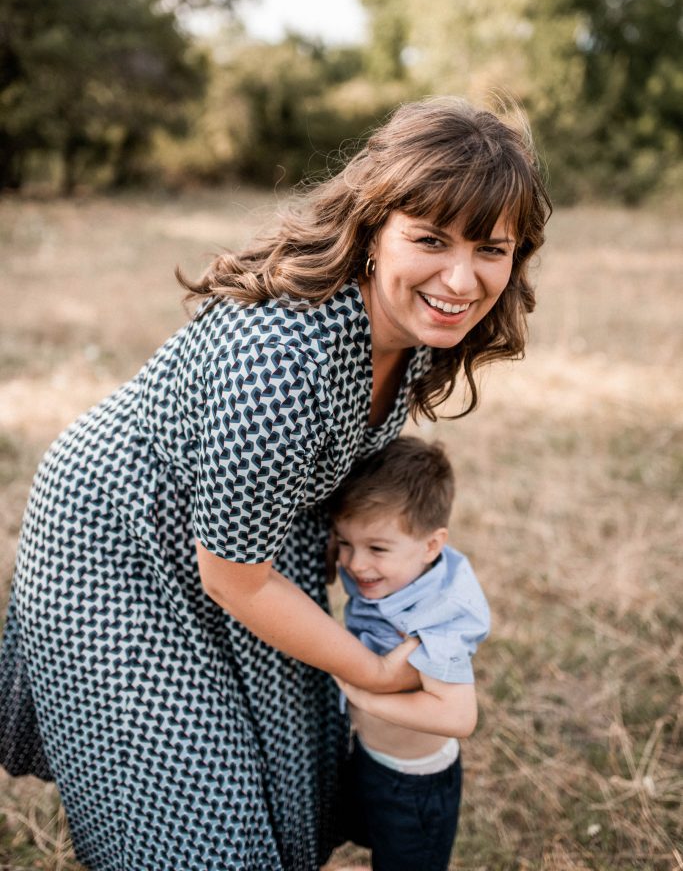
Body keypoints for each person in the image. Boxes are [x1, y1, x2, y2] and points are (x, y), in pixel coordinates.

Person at [0, 96, 551, 871]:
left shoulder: (412, 329)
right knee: (193, 818)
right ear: (372, 229)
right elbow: (234, 579)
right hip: (118, 542)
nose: (461, 278)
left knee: (275, 770)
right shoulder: (280, 360)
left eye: (490, 249)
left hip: (240, 537)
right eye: (430, 239)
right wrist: (371, 669)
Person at [328, 436, 489, 871]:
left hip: (415, 784)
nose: (355, 564)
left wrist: (365, 696)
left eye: (376, 548)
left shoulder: (438, 617)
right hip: (367, 756)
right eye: (345, 543)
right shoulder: (396, 570)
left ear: (432, 546)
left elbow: (459, 717)